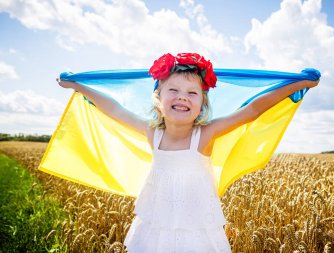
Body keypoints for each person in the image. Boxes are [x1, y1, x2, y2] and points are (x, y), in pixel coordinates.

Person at [57, 52, 319, 252]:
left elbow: (251, 111)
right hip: (157, 223)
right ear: (158, 99)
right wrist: (79, 87)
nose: (182, 97)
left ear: (202, 104)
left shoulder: (204, 135)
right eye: (173, 90)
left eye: (192, 93)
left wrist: (296, 85)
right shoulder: (153, 133)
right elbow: (114, 109)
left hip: (198, 227)